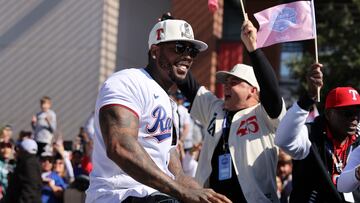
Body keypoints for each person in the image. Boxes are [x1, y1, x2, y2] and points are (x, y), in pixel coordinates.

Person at [85, 14, 231, 203]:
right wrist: (182, 192)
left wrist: (208, 197)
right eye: (179, 48)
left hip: (157, 196)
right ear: (155, 51)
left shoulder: (170, 104)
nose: (187, 56)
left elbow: (176, 175)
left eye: (192, 51)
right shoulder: (127, 81)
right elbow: (120, 147)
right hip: (119, 195)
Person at [176, 19, 286, 202]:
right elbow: (187, 83)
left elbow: (272, 91)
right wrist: (172, 42)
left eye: (234, 82)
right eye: (225, 82)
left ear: (253, 90)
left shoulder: (264, 115)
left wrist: (254, 49)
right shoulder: (215, 108)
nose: (226, 86)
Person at [275, 64, 360, 202]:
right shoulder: (310, 135)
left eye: (358, 113)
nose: (354, 118)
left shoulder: (358, 138)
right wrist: (308, 98)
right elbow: (282, 140)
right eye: (348, 113)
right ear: (328, 114)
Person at [5, 139, 42, 203]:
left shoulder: (30, 163)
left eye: (19, 149)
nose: (16, 151)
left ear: (24, 150)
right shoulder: (26, 162)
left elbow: (30, 188)